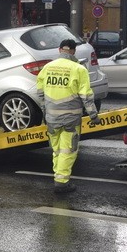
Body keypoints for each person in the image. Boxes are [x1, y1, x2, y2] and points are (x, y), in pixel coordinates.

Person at [36, 39, 102, 194]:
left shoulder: (47, 67)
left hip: (52, 118)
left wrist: (45, 111)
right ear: (73, 51)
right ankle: (61, 182)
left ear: (60, 50)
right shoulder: (78, 69)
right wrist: (93, 115)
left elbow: (40, 92)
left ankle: (58, 177)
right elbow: (86, 95)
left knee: (57, 150)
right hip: (70, 119)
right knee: (68, 150)